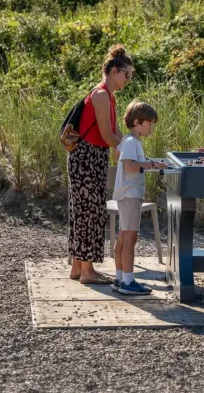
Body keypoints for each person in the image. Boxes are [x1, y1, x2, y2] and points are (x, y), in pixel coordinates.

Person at [68, 45, 133, 284]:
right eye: (127, 75)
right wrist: (125, 151)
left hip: (93, 156)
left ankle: (78, 266)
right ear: (114, 71)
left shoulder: (109, 96)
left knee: (86, 210)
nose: (128, 80)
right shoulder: (101, 95)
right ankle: (88, 271)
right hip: (86, 157)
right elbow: (107, 135)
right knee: (88, 211)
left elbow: (114, 131)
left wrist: (126, 145)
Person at [112, 100, 166, 295]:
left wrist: (148, 163)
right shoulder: (132, 142)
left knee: (123, 237)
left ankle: (119, 278)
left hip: (125, 194)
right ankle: (128, 281)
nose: (151, 127)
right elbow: (130, 166)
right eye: (149, 123)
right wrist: (152, 164)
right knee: (130, 239)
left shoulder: (128, 141)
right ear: (137, 122)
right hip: (130, 195)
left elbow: (116, 156)